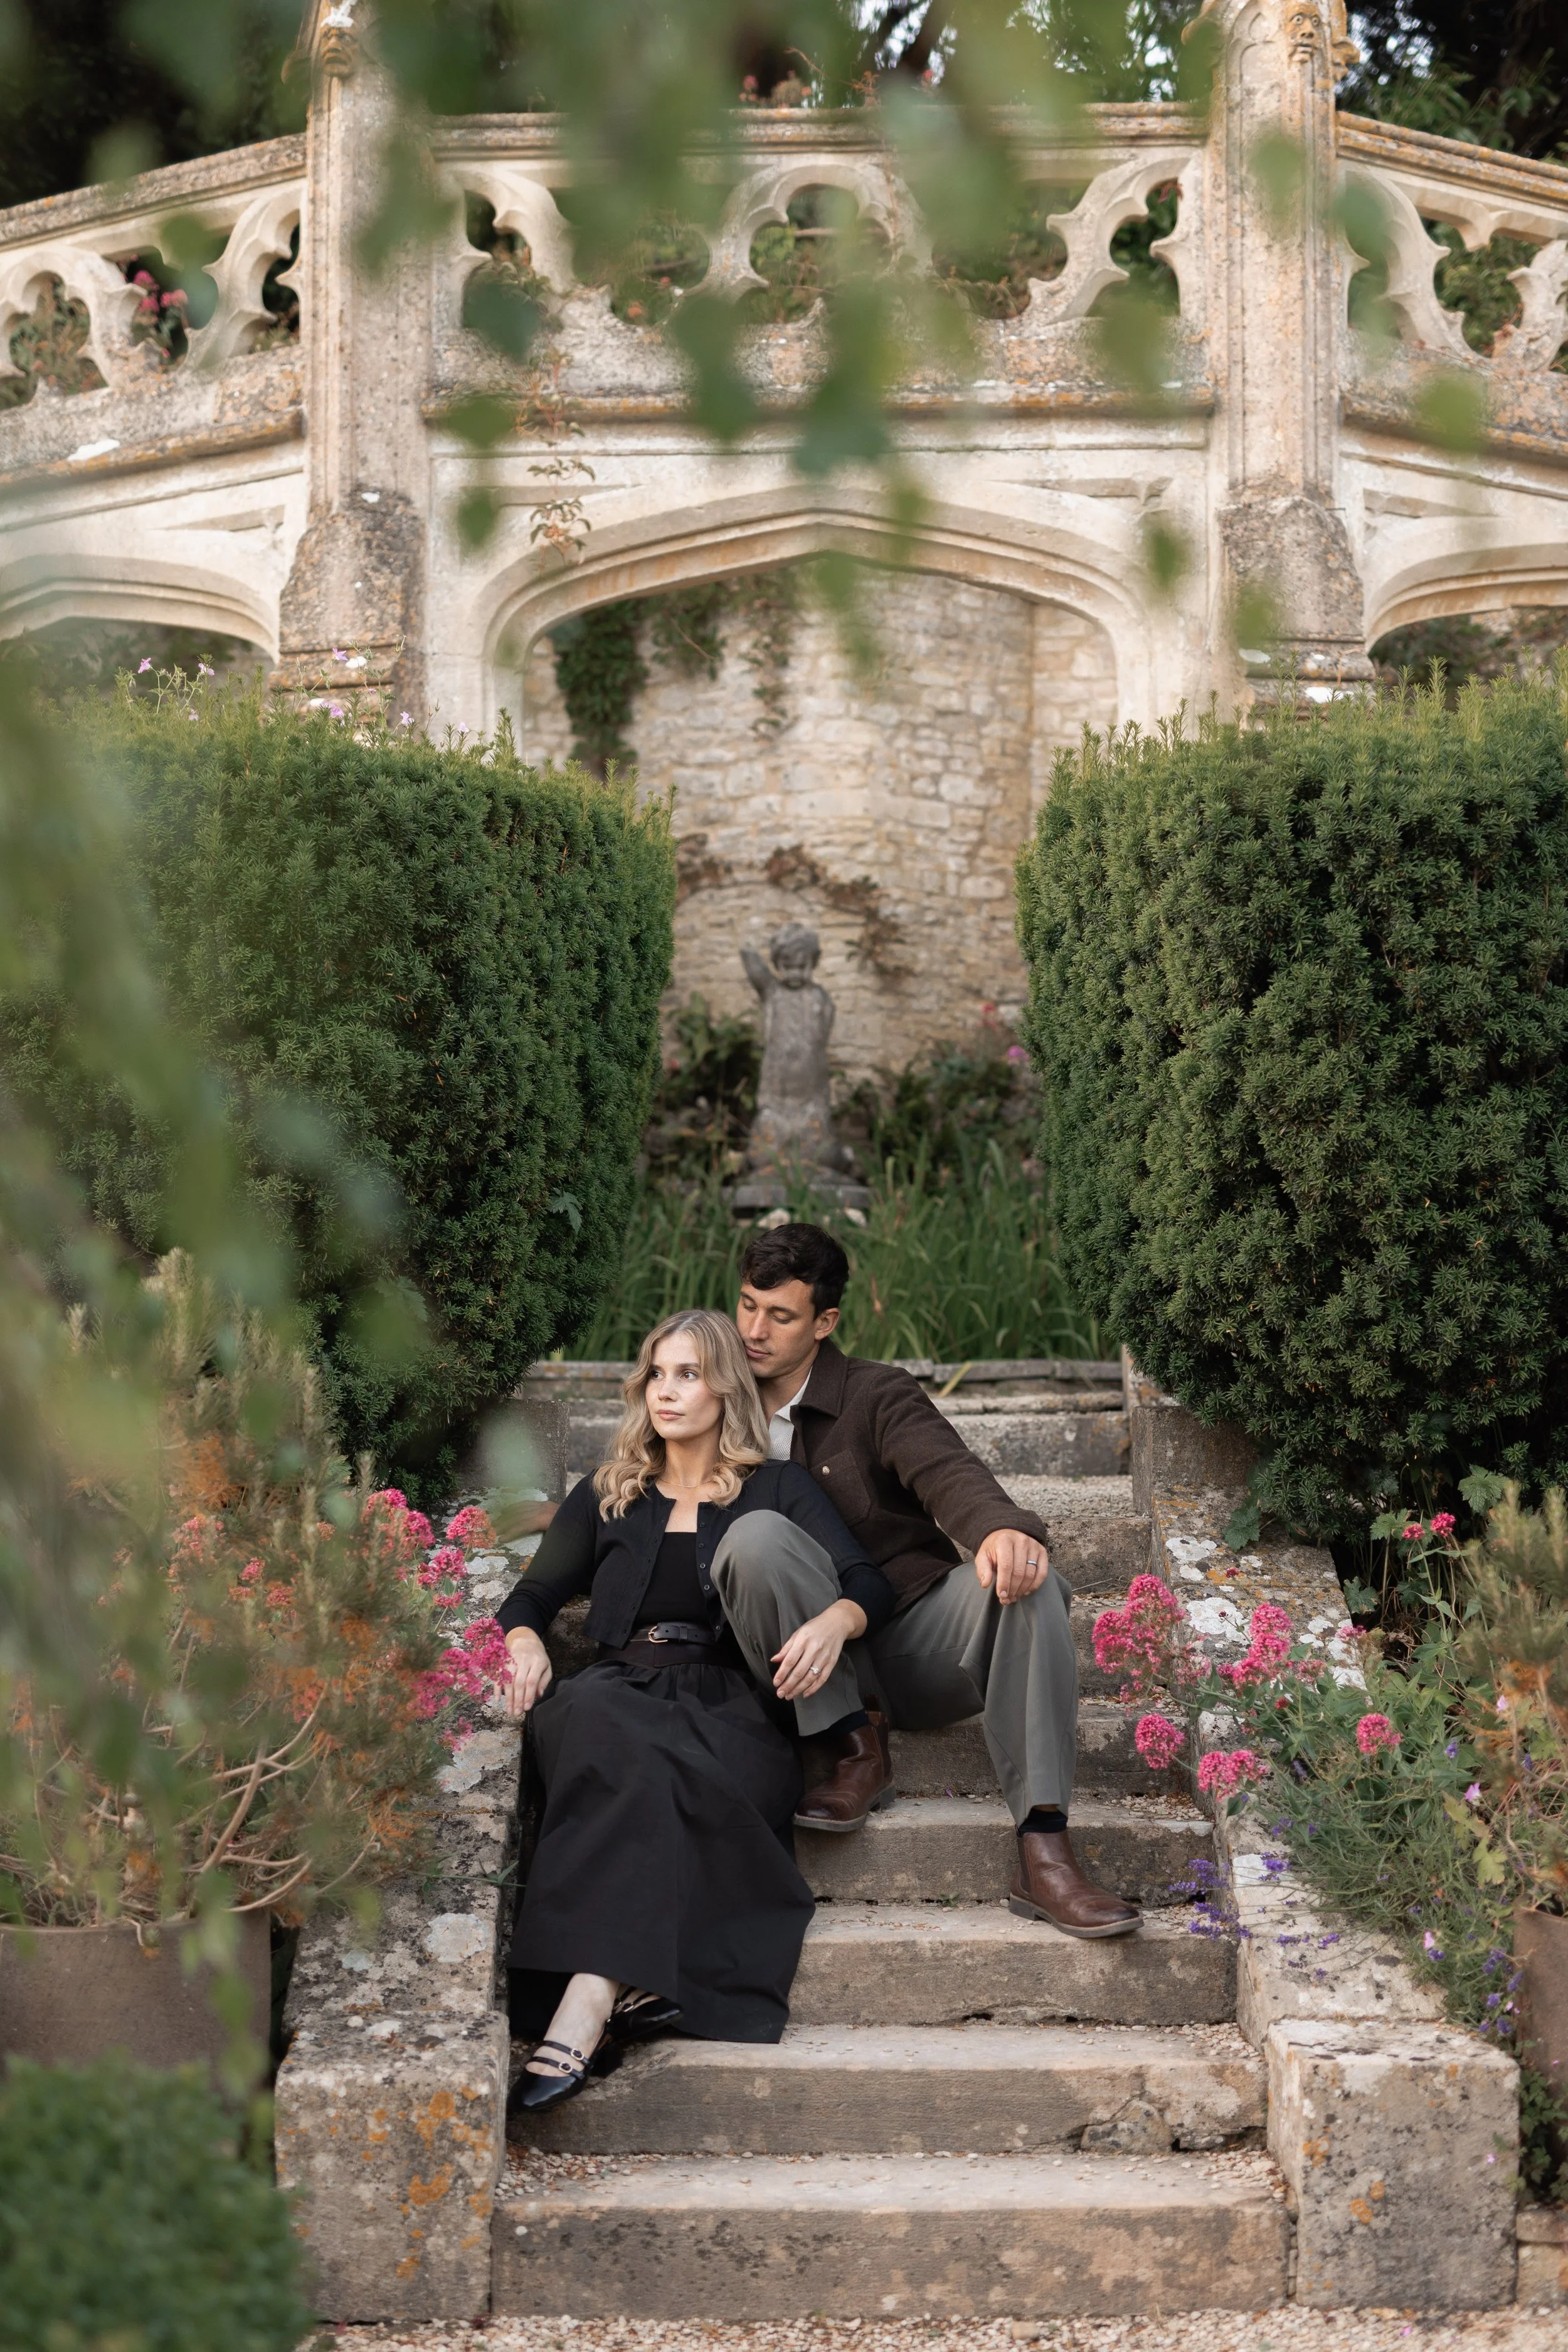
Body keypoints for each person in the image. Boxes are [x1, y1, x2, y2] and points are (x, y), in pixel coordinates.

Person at [495, 1308, 898, 2112]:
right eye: (656, 1374)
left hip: (728, 1702)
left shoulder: (777, 1487)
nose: (666, 1392)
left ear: (726, 1388)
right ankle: (609, 1989)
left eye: (688, 1374)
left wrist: (829, 1621)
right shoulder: (607, 1493)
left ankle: (590, 1991)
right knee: (611, 1729)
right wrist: (524, 1641)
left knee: (669, 1756)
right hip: (614, 1690)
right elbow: (533, 1594)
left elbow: (868, 1583)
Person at [734, 1222, 1140, 1939]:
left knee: (1033, 1583)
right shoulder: (712, 1397)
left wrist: (998, 1530)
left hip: (905, 1639)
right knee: (758, 1538)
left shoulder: (874, 1394)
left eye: (780, 1315)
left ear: (825, 1323)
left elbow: (946, 1469)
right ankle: (851, 1745)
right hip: (791, 1659)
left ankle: (1043, 1849)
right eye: (746, 1307)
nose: (755, 1331)